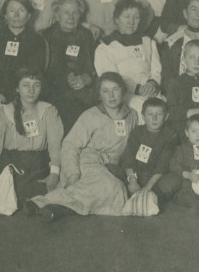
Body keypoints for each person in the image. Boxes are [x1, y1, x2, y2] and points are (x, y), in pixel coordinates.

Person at [25, 72, 136, 221]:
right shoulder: (90, 115)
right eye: (105, 91)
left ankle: (53, 208)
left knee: (102, 189)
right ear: (99, 95)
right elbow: (70, 145)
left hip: (109, 165)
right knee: (114, 188)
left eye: (115, 89)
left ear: (123, 91)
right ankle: (42, 201)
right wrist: (72, 173)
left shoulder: (132, 116)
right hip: (86, 161)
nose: (111, 95)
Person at [0, 69, 64, 207]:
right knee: (8, 192)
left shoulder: (49, 111)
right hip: (12, 166)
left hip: (39, 167)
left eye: (36, 85)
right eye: (26, 85)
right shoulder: (4, 112)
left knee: (54, 189)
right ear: (17, 88)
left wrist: (54, 173)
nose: (31, 90)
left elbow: (56, 144)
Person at [0, 0, 48, 108]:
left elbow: (33, 74)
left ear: (29, 16)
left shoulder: (36, 41)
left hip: (20, 98)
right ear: (5, 15)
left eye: (21, 10)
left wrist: (6, 96)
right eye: (12, 11)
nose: (16, 15)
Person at [93, 0, 163, 117]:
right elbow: (110, 79)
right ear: (117, 20)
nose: (131, 22)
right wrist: (137, 89)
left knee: (162, 106)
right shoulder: (105, 46)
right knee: (145, 109)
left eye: (136, 17)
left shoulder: (148, 41)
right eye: (127, 17)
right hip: (124, 94)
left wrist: (152, 84)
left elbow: (156, 69)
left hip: (150, 90)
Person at [41, 0, 98, 132]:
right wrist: (65, 78)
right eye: (66, 12)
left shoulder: (86, 35)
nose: (70, 17)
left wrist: (87, 78)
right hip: (55, 90)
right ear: (57, 14)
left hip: (84, 88)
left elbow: (95, 66)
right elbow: (43, 70)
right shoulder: (45, 36)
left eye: (75, 12)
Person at [119, 97, 181, 209]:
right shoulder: (137, 131)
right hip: (135, 175)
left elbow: (163, 165)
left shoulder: (170, 135)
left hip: (155, 179)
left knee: (173, 182)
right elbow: (128, 156)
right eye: (150, 114)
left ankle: (144, 198)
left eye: (159, 114)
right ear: (143, 116)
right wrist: (132, 180)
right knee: (111, 169)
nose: (154, 118)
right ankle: (140, 198)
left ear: (166, 116)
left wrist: (147, 188)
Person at [163, 39, 199, 135]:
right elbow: (171, 111)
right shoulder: (176, 82)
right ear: (184, 59)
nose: (196, 62)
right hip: (182, 130)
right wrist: (194, 112)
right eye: (192, 57)